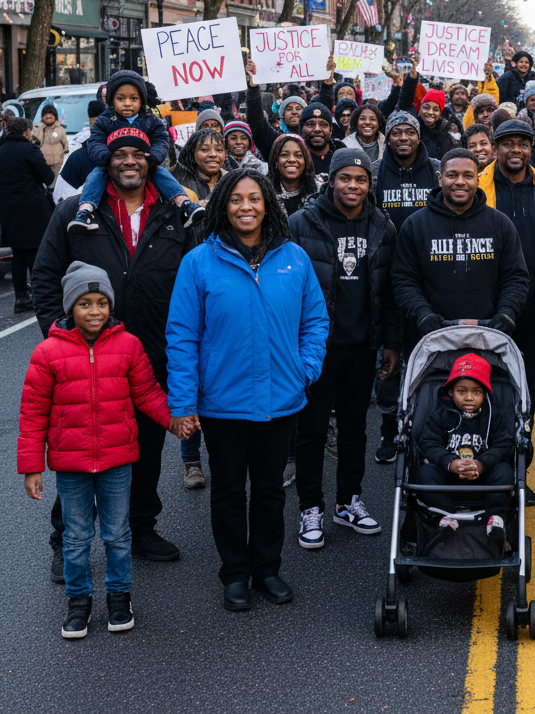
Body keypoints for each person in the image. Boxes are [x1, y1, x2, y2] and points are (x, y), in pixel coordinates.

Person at [33, 128, 199, 575]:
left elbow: (198, 280)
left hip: (153, 353)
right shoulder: (75, 211)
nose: (129, 161)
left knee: (144, 447)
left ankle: (141, 527)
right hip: (85, 358)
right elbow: (45, 274)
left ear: (151, 162)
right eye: (120, 154)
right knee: (84, 452)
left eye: (138, 155)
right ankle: (65, 540)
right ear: (106, 162)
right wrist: (56, 334)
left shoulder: (175, 213)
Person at [165, 168, 329, 611]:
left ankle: (267, 569)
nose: (245, 207)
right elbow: (181, 336)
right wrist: (182, 402)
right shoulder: (198, 262)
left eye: (254, 199)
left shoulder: (294, 258)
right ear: (223, 205)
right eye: (236, 199)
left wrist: (305, 368)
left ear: (268, 204)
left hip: (282, 399)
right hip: (223, 403)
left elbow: (315, 321)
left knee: (271, 490)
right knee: (228, 492)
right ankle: (235, 573)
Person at [18, 262, 192, 638]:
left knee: (117, 534)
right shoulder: (48, 354)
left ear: (111, 306)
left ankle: (119, 598)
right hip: (71, 465)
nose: (94, 311)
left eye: (101, 303)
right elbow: (33, 413)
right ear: (69, 308)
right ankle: (78, 603)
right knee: (76, 537)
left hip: (117, 460)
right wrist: (31, 467)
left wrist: (173, 421)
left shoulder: (128, 346)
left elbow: (147, 393)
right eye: (84, 304)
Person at [290, 149, 402, 546]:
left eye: (361, 179)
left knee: (356, 429)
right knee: (312, 432)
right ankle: (310, 508)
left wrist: (390, 342)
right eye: (345, 178)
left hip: (361, 346)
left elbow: (390, 291)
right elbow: (288, 290)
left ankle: (348, 502)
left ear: (370, 185)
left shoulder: (383, 226)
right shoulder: (301, 224)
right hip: (316, 349)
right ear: (331, 180)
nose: (353, 186)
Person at [478, 121, 535, 450]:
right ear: (495, 148)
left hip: (532, 310)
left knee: (524, 389)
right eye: (507, 143)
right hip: (486, 307)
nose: (515, 150)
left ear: (531, 149)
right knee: (481, 385)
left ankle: (520, 463)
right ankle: (486, 464)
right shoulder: (477, 187)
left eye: (522, 143)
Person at [391, 149, 530, 348]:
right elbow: (403, 279)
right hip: (430, 338)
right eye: (452, 175)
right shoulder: (415, 225)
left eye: (468, 176)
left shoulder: (500, 223)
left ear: (478, 180)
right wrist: (423, 315)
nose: (460, 182)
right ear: (440, 178)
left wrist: (507, 313)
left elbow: (515, 277)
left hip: (489, 337)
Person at [369, 110, 442, 462]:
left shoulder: (438, 169)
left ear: (418, 137)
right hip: (384, 273)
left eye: (408, 132)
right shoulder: (373, 172)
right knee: (390, 354)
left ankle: (430, 426)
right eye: (396, 132)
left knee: (428, 351)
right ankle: (388, 429)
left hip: (428, 274)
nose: (402, 138)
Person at [68, 70, 203, 232]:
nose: (127, 103)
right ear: (112, 100)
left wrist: (153, 157)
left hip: (144, 163)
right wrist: (105, 157)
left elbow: (160, 139)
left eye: (133, 98)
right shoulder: (104, 120)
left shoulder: (150, 120)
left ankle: (184, 203)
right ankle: (85, 210)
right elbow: (95, 140)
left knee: (162, 174)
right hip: (112, 165)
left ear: (142, 100)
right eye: (121, 98)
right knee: (95, 176)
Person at [414, 353, 515, 542]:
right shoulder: (441, 416)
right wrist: (450, 463)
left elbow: (503, 444)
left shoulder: (494, 417)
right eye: (462, 391)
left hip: (483, 481)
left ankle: (495, 519)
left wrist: (482, 463)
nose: (469, 398)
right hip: (448, 480)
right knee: (424, 473)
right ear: (451, 392)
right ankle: (446, 515)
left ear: (485, 394)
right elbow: (429, 442)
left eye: (476, 392)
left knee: (505, 470)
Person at [0, 118, 55, 313]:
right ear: (25, 132)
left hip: (8, 210)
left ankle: (21, 296)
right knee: (36, 253)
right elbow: (48, 177)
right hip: (33, 210)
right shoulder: (29, 150)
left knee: (18, 254)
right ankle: (40, 295)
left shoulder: (1, 151)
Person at [170, 128, 230, 201]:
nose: (213, 154)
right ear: (192, 153)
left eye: (219, 150)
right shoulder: (174, 182)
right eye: (204, 149)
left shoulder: (231, 180)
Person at [267, 134, 320, 217]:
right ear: (275, 161)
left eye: (298, 155)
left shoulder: (319, 191)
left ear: (306, 161)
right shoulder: (265, 193)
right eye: (284, 155)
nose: (292, 160)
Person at [416, 88, 464, 160]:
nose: (430, 112)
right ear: (420, 108)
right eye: (426, 107)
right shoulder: (412, 127)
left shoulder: (448, 129)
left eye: (435, 109)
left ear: (440, 113)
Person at [32, 102, 69, 177]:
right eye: (46, 117)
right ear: (42, 117)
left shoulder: (60, 129)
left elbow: (65, 145)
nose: (48, 118)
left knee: (55, 183)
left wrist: (64, 152)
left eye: (50, 117)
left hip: (57, 162)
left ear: (55, 116)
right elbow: (34, 142)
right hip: (42, 162)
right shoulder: (37, 129)